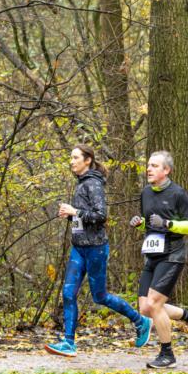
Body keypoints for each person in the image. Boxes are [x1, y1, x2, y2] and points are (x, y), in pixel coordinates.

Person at [45, 145, 152, 357]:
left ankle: (140, 321)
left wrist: (75, 211)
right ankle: (68, 343)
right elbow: (85, 217)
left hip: (95, 249)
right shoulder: (81, 183)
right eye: (71, 157)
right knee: (68, 293)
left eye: (75, 157)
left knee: (100, 296)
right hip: (78, 248)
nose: (71, 161)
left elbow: (101, 215)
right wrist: (71, 216)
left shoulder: (93, 183)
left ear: (87, 160)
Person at [129, 151, 188, 369]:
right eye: (148, 165)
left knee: (155, 304)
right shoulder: (146, 193)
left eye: (154, 166)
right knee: (145, 308)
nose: (149, 169)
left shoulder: (177, 193)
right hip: (153, 254)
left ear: (166, 170)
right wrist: (140, 224)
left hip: (173, 254)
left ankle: (167, 355)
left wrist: (168, 224)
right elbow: (150, 223)